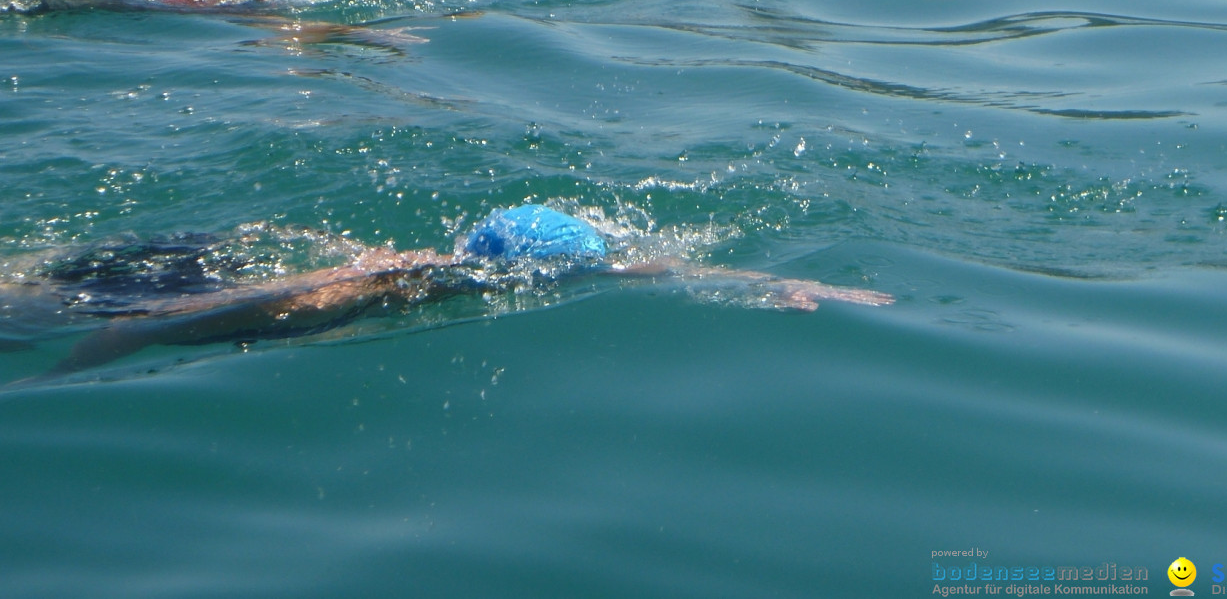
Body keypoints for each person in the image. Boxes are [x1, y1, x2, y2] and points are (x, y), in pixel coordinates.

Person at [4, 206, 892, 382]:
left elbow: (640, 269)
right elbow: (175, 323)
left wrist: (763, 278)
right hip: (163, 293)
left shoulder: (429, 258)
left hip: (194, 253)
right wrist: (72, 368)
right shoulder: (379, 285)